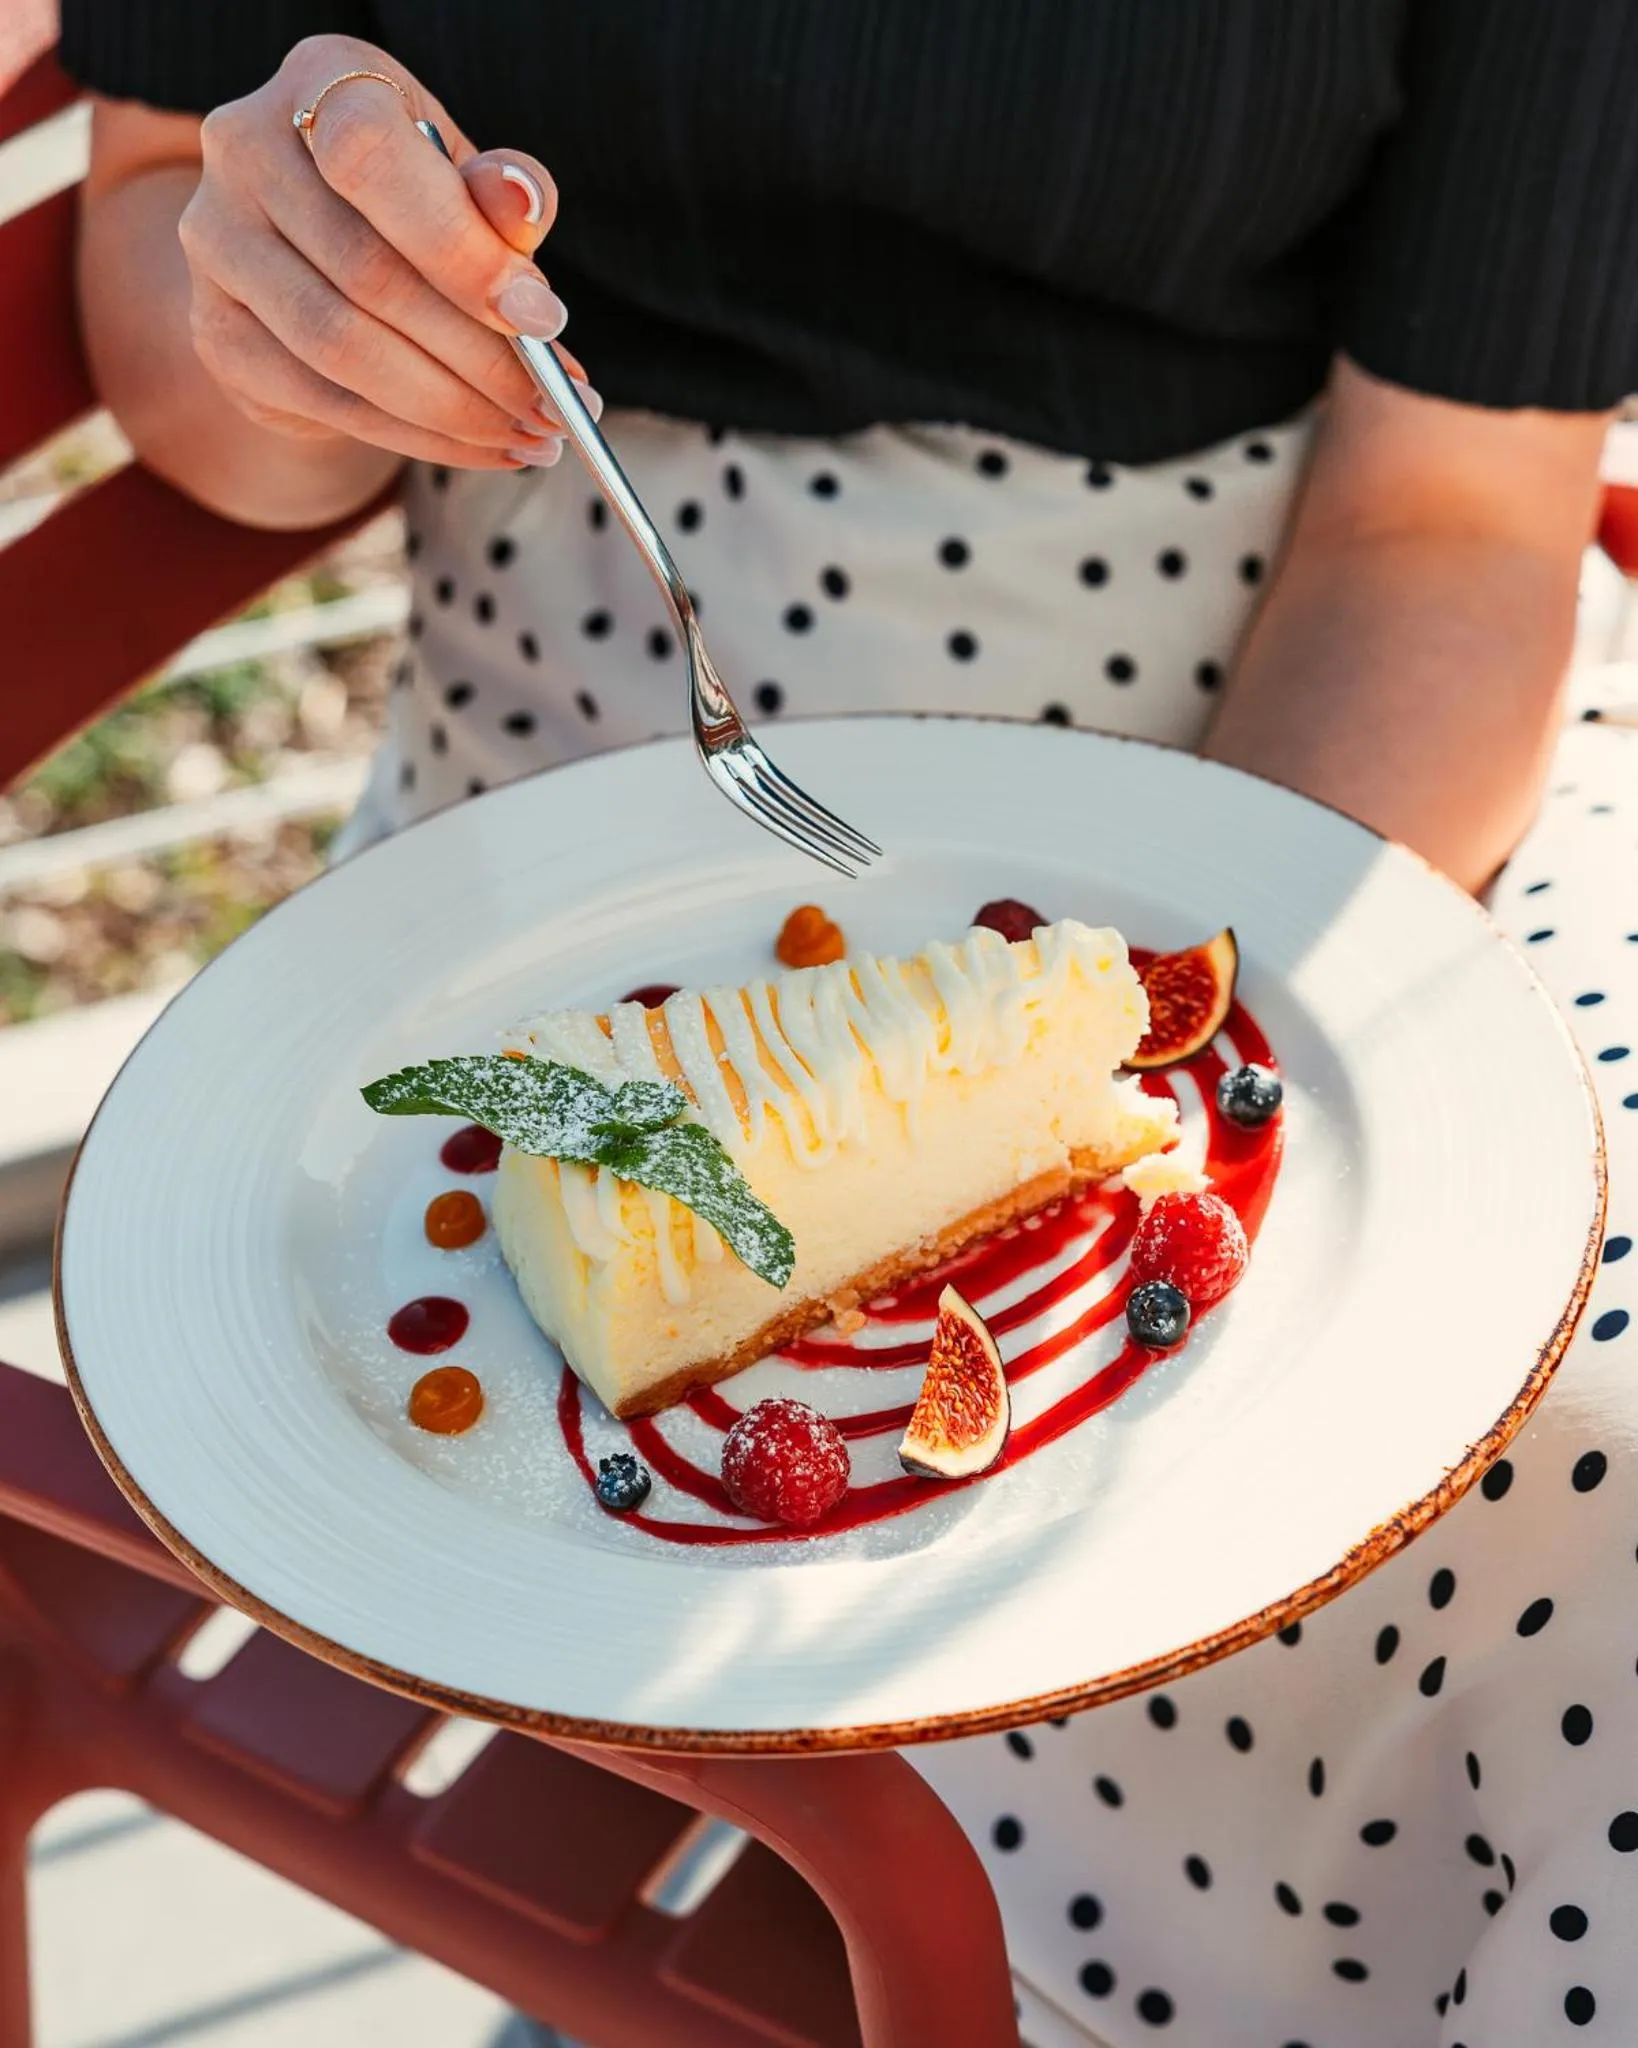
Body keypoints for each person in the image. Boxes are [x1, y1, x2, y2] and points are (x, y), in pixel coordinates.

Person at [59, 8, 1638, 2044]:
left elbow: (1454, 516)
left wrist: (1189, 1036)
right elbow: (160, 251)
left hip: (1309, 764)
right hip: (571, 804)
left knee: (1574, 1486)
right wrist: (298, 314)